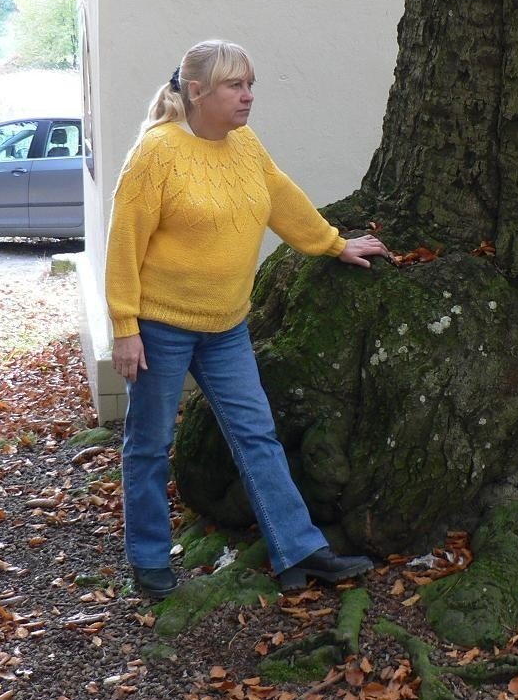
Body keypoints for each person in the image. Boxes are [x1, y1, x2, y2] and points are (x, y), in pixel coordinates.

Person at [105, 38, 389, 600]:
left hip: (227, 325)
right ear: (196, 91)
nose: (248, 96)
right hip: (162, 326)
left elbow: (278, 195)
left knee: (257, 435)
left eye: (250, 84)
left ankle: (299, 551)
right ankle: (148, 559)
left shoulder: (244, 144)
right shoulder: (157, 153)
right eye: (236, 85)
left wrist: (334, 244)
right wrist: (125, 329)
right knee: (148, 441)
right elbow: (123, 245)